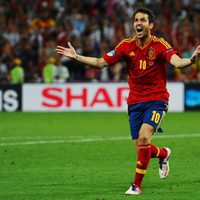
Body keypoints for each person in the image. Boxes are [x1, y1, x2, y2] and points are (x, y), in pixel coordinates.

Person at [55, 7, 200, 195]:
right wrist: (77, 57)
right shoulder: (126, 46)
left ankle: (136, 185)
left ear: (151, 25)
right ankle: (163, 153)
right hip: (134, 102)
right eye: (136, 20)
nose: (138, 23)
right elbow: (101, 63)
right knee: (141, 148)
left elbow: (177, 62)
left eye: (143, 20)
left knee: (144, 137)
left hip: (157, 100)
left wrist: (191, 60)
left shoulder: (160, 45)